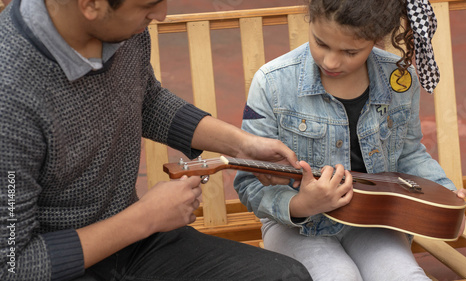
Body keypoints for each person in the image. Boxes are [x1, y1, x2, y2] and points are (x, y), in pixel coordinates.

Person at [0, 0, 314, 280]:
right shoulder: (10, 93)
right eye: (149, 4)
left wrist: (243, 146)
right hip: (60, 263)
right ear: (90, 5)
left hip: (134, 244)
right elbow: (12, 263)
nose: (162, 14)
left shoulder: (125, 30)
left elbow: (146, 100)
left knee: (287, 276)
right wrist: (145, 218)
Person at [234, 0, 466, 280]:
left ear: (376, 39)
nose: (331, 61)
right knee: (339, 276)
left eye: (350, 51)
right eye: (321, 43)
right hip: (296, 225)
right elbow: (249, 181)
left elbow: (409, 154)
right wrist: (300, 206)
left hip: (374, 221)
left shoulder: (400, 78)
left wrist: (444, 195)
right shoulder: (272, 82)